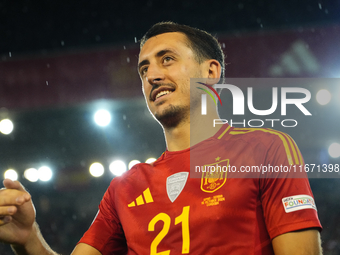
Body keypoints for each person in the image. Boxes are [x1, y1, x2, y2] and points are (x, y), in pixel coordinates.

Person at [0, 22, 322, 254]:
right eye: (144, 69)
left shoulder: (265, 149)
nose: (152, 75)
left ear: (211, 72)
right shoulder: (124, 187)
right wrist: (29, 240)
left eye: (167, 59)